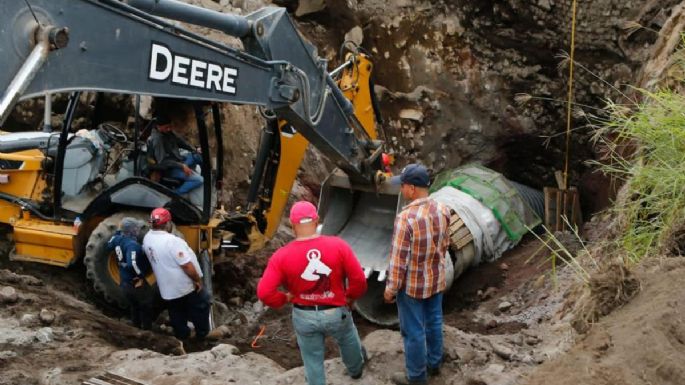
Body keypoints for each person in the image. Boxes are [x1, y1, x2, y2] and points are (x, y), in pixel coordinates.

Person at [257, 201, 368, 385]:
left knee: (312, 358)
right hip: (335, 311)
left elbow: (265, 292)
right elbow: (359, 280)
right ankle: (355, 370)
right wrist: (350, 296)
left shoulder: (281, 256)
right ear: (316, 221)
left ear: (292, 226)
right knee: (348, 337)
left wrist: (284, 298)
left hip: (304, 315)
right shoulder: (338, 245)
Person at [383, 164, 451, 385]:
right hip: (436, 280)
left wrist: (391, 289)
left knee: (413, 332)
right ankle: (434, 363)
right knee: (434, 321)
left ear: (412, 189)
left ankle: (416, 377)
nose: (401, 190)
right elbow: (445, 245)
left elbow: (398, 259)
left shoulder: (406, 218)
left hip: (411, 287)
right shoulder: (443, 209)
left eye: (402, 186)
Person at [142, 207, 211, 340]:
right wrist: (197, 280)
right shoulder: (172, 241)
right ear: (168, 224)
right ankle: (202, 335)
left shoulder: (147, 238)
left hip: (167, 287)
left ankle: (182, 336)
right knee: (201, 304)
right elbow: (186, 265)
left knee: (176, 311)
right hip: (184, 285)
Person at [106, 217, 153, 330]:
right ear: (132, 231)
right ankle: (147, 330)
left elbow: (108, 245)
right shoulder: (133, 245)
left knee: (134, 306)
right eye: (136, 228)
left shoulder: (117, 239)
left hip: (123, 281)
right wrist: (140, 276)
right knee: (146, 304)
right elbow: (132, 264)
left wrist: (118, 231)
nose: (138, 230)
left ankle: (136, 327)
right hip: (134, 282)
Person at [147, 113, 203, 195]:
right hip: (170, 168)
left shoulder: (166, 132)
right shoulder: (157, 139)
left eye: (169, 126)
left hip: (178, 160)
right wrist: (182, 166)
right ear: (159, 127)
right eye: (167, 127)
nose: (169, 129)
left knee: (197, 156)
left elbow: (180, 141)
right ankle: (175, 194)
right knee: (199, 180)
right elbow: (163, 161)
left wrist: (195, 149)